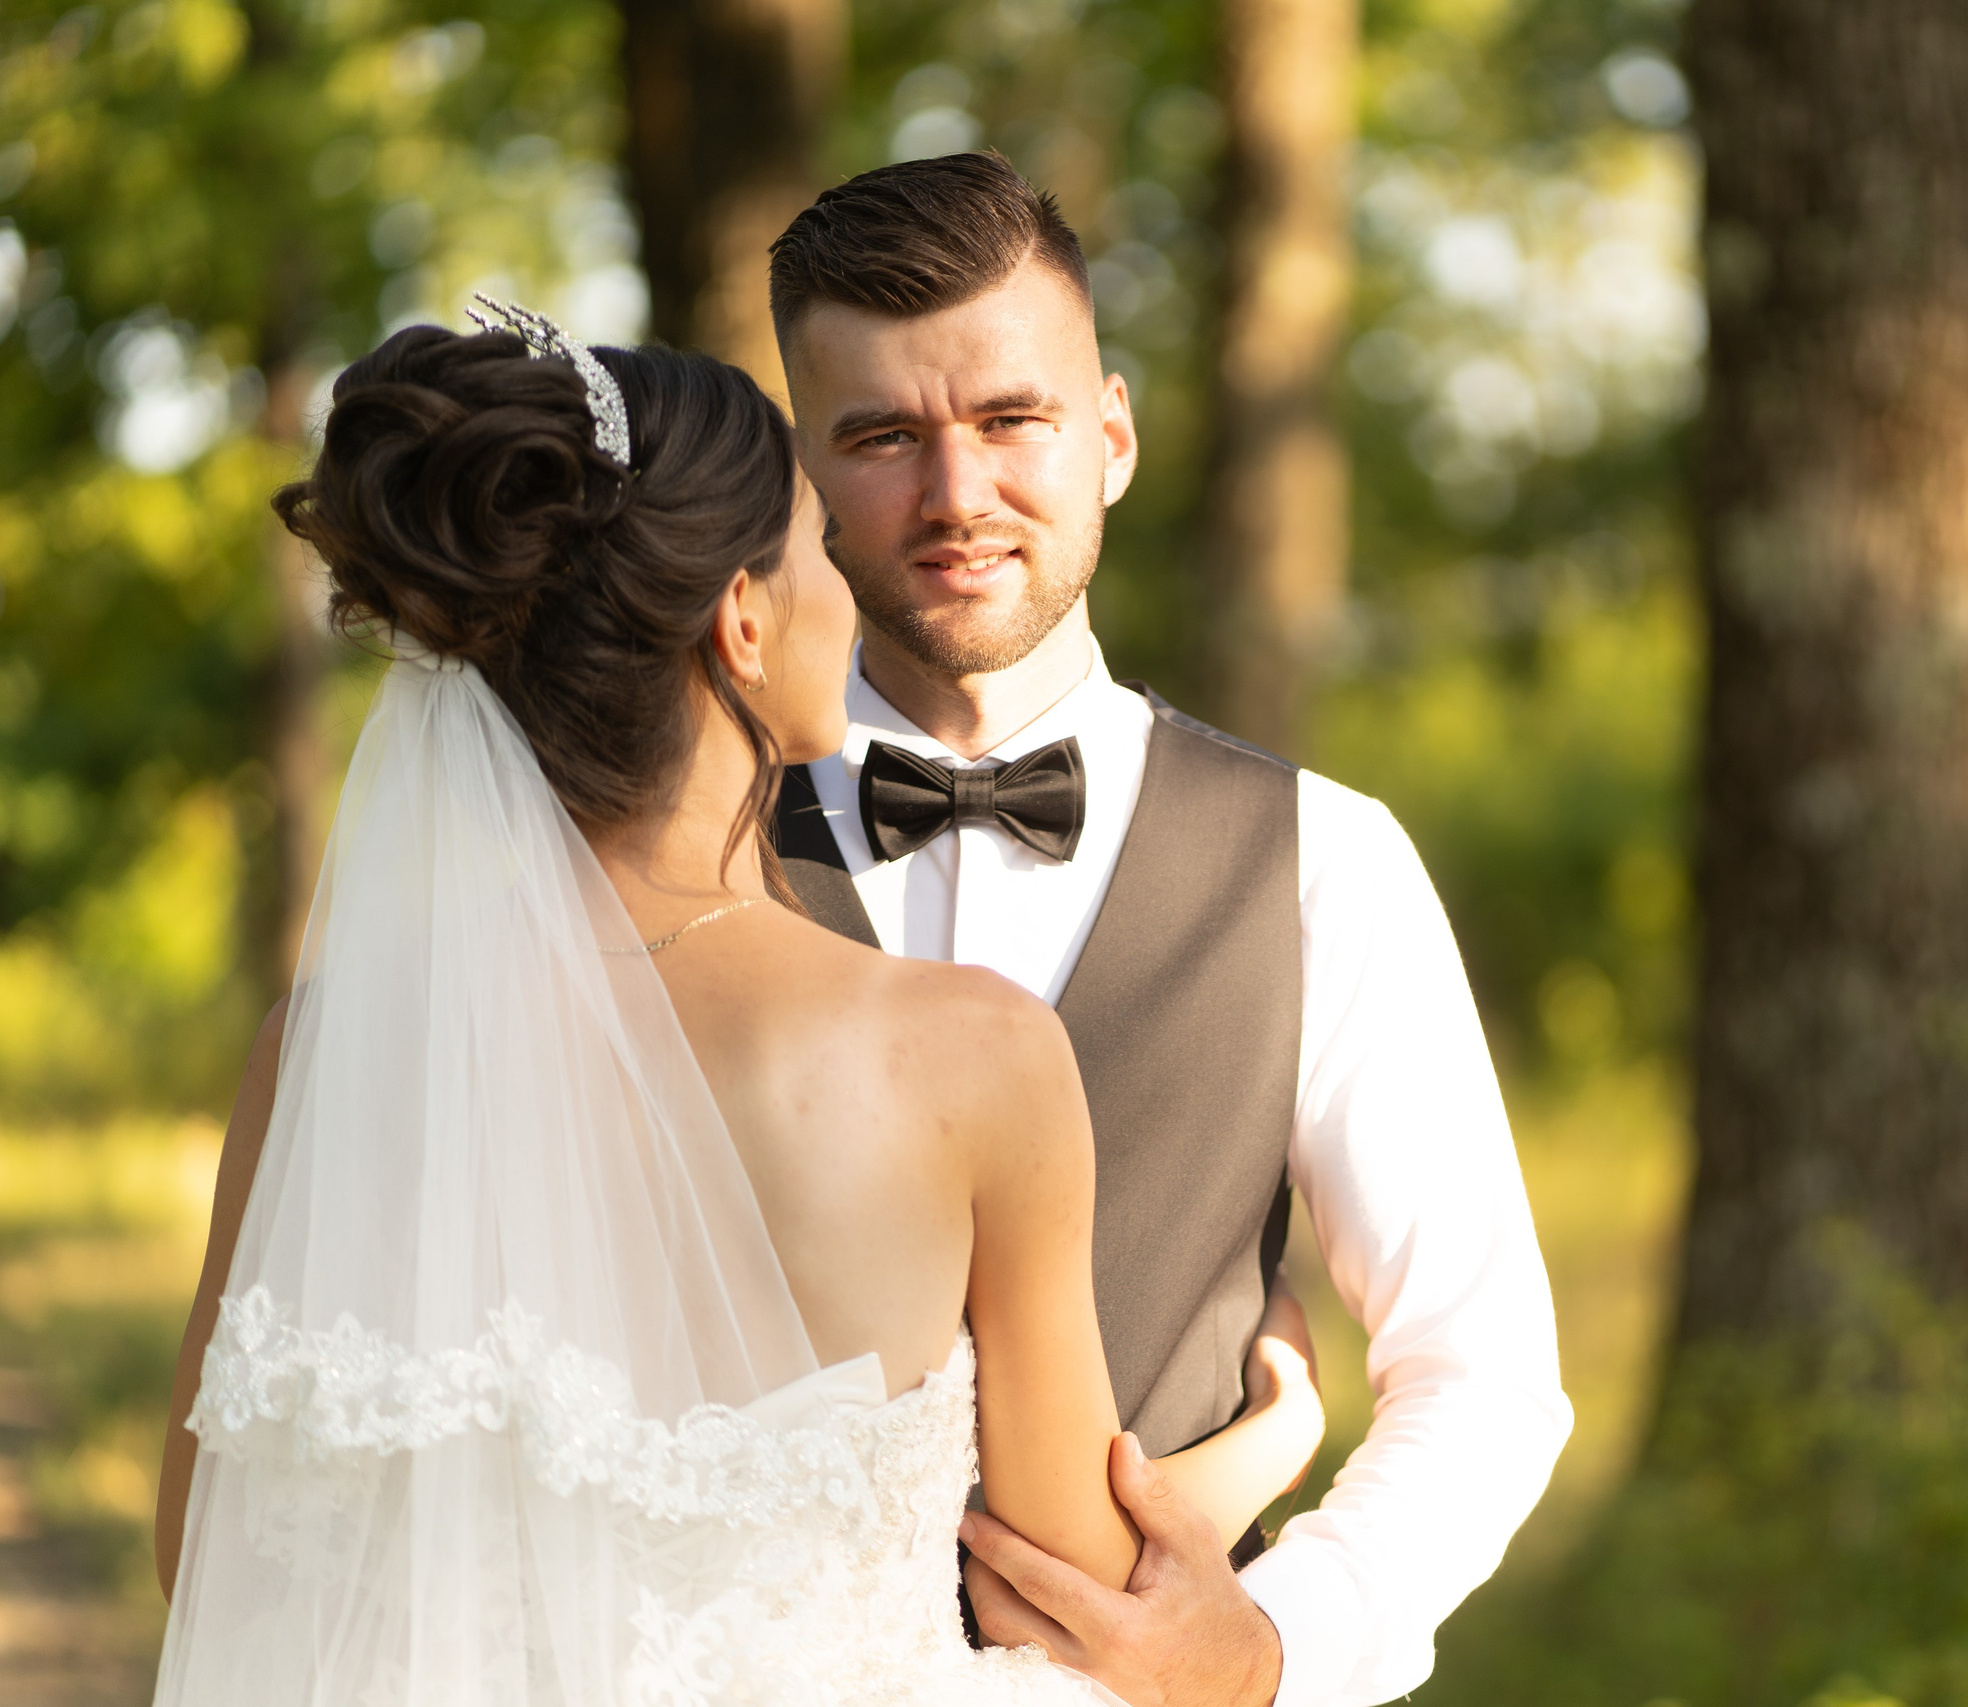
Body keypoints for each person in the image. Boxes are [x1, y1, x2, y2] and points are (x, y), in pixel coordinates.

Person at [149, 305, 1324, 1703]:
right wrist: (1277, 1437)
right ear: (744, 621)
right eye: (814, 544)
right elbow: (1065, 1603)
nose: (845, 584)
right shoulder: (966, 1057)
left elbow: (203, 1549)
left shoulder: (325, 1054)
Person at [762, 152, 1575, 1707]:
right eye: (881, 438)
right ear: (805, 477)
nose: (957, 495)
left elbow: (1486, 1379)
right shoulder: (683, 855)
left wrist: (1279, 1643)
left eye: (1014, 420)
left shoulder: (1322, 859)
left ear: (1113, 435)